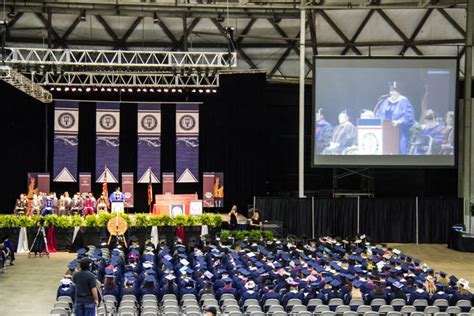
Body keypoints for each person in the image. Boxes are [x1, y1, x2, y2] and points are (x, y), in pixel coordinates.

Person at [374, 81, 415, 154]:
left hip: (400, 132)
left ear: (398, 92)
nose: (391, 93)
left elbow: (409, 117)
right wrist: (378, 120)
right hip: (386, 132)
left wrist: (399, 121)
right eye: (391, 91)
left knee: (400, 151)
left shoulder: (404, 101)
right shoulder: (385, 101)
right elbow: (379, 114)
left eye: (394, 91)